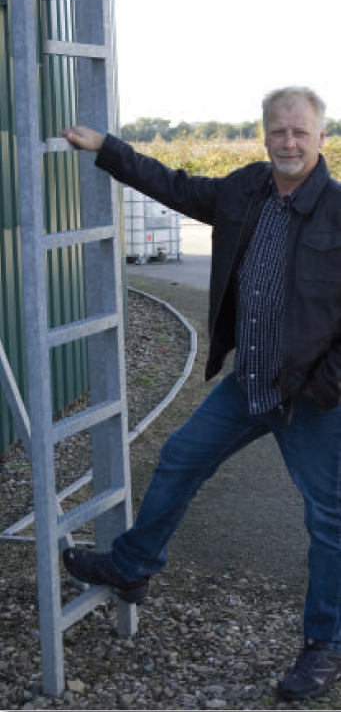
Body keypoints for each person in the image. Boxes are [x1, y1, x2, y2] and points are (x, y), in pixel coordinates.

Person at [61, 86, 341, 702]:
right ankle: (133, 566)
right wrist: (109, 148)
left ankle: (325, 647)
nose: (288, 142)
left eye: (300, 131)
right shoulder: (245, 190)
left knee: (329, 522)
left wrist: (326, 383)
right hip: (249, 382)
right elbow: (177, 186)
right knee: (181, 457)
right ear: (264, 135)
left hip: (312, 398)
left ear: (321, 136)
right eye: (277, 131)